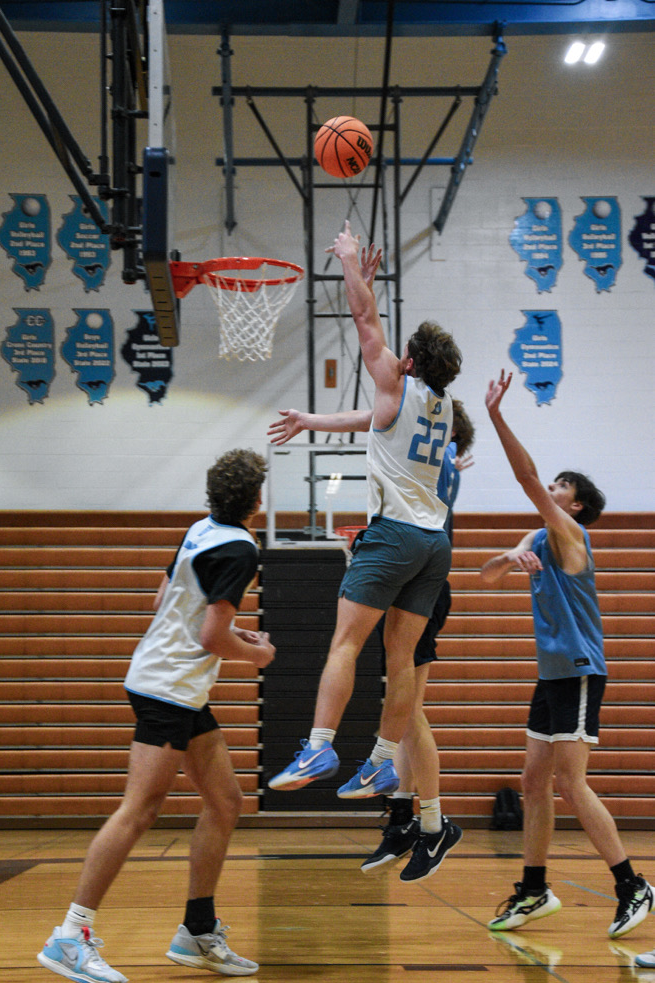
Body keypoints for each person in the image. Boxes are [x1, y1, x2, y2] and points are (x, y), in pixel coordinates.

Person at [268, 220, 464, 884]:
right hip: (435, 544)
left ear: (408, 360)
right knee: (400, 657)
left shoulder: (395, 381)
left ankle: (320, 748)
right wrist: (311, 422)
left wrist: (351, 263)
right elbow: (371, 418)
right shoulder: (439, 404)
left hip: (394, 533)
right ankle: (383, 757)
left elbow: (362, 318)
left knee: (345, 645)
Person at [38, 449, 275, 983]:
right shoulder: (240, 549)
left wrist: (236, 638)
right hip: (168, 689)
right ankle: (70, 937)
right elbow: (210, 637)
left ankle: (196, 931)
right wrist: (258, 653)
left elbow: (163, 599)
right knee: (139, 810)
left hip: (176, 686)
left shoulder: (201, 530)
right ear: (256, 501)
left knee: (225, 802)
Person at [266, 400, 475, 875]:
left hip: (423, 582)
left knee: (410, 710)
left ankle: (433, 823)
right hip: (419, 574)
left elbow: (382, 420)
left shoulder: (433, 459)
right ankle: (404, 817)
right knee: (400, 706)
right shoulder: (438, 465)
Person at [481, 369, 653, 938]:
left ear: (574, 507)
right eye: (552, 485)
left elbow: (526, 476)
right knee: (533, 783)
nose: (549, 490)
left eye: (561, 488)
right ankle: (533, 889)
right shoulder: (536, 540)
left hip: (580, 671)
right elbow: (485, 578)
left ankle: (633, 884)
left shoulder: (571, 537)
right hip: (551, 675)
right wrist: (510, 560)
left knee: (571, 784)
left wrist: (498, 417)